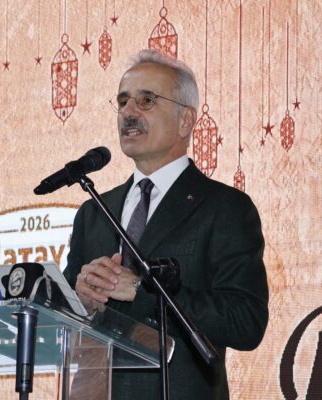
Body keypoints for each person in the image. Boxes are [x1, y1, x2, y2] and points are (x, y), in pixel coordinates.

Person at [64, 49, 269, 400]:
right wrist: (81, 299)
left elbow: (245, 321)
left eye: (146, 100)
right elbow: (66, 319)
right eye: (123, 101)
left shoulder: (224, 208)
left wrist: (142, 291)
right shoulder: (94, 211)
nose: (129, 112)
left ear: (185, 120)